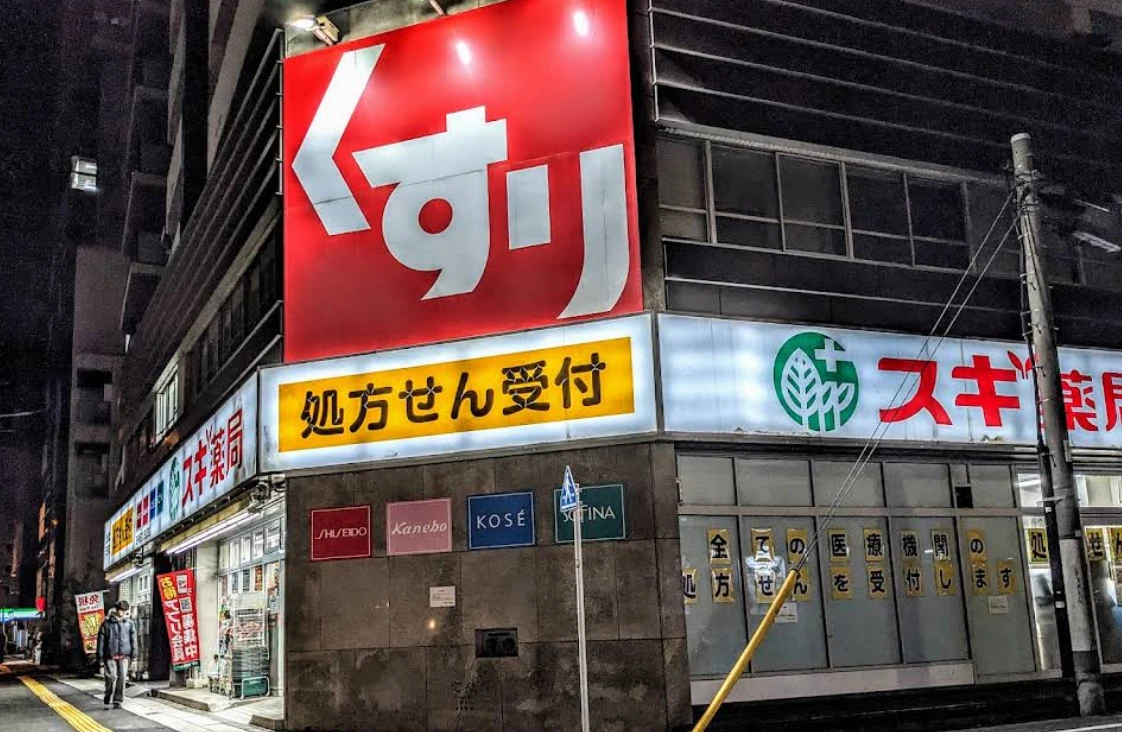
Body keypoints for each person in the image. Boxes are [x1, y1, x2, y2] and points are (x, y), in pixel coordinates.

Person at [96, 601, 137, 708]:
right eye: (120, 610)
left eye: (124, 610)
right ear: (116, 610)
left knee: (122, 678)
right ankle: (108, 693)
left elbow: (133, 640)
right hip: (110, 655)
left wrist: (134, 653)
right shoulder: (106, 623)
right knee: (111, 677)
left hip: (124, 655)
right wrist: (100, 656)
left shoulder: (130, 623)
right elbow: (101, 641)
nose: (121, 612)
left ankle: (117, 700)